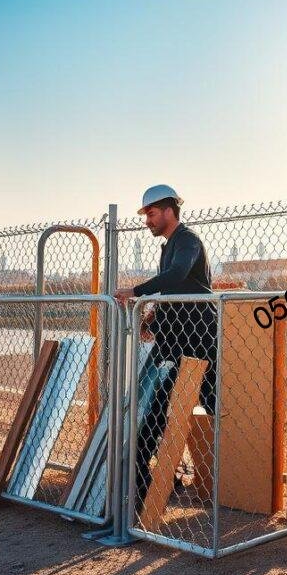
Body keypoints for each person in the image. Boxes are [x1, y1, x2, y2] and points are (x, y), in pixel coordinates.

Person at [115, 184, 217, 506]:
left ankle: (231, 477)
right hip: (174, 338)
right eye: (146, 214)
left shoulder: (186, 241)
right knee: (158, 406)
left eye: (151, 213)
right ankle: (152, 480)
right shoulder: (168, 245)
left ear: (169, 210)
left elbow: (177, 275)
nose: (147, 220)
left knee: (213, 405)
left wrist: (138, 291)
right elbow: (176, 290)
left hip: (199, 338)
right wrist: (155, 317)